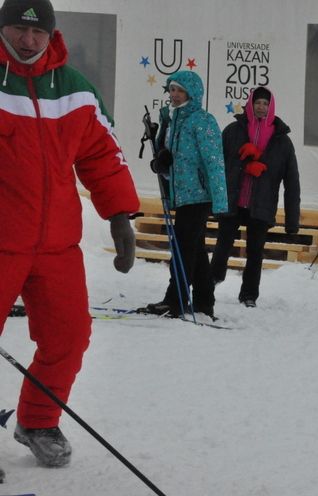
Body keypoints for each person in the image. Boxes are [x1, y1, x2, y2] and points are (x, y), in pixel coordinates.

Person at [0, 0, 139, 468]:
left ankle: (38, 420)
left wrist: (120, 215)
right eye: (19, 28)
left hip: (56, 245)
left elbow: (102, 154)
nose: (28, 40)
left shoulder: (76, 90)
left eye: (38, 32)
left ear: (52, 34)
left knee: (70, 336)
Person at [142, 70, 227, 318]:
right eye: (172, 90)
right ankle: (204, 301)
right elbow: (171, 155)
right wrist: (162, 160)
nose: (175, 95)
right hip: (181, 194)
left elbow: (214, 162)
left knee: (182, 249)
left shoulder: (203, 120)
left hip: (198, 196)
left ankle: (175, 300)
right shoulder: (173, 119)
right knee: (195, 250)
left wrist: (220, 202)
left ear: (192, 92)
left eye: (180, 90)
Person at [210, 86, 300, 307]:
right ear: (250, 104)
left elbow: (292, 181)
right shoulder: (233, 131)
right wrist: (243, 166)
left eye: (265, 104)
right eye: (257, 103)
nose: (261, 107)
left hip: (261, 204)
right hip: (233, 200)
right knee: (222, 245)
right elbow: (217, 166)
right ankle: (211, 280)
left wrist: (292, 221)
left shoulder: (282, 141)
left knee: (255, 251)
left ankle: (249, 294)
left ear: (271, 108)